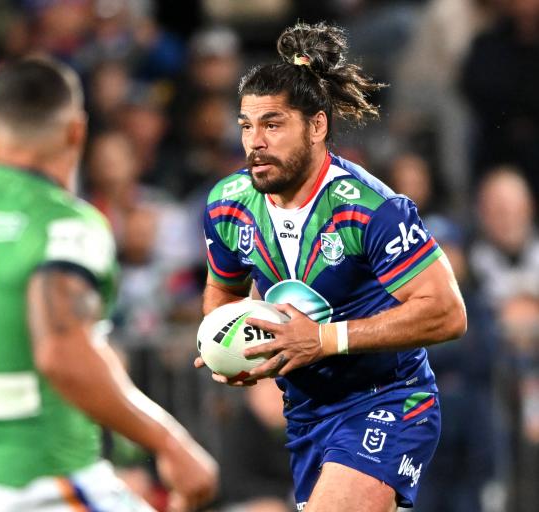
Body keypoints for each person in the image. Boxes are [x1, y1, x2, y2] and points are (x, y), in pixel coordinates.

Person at [0, 56, 218, 512]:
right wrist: (170, 443)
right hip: (42, 484)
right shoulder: (66, 225)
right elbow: (61, 352)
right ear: (76, 130)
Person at [195, 22, 466, 512]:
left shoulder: (370, 209)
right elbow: (223, 290)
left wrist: (323, 340)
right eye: (246, 125)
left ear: (316, 126)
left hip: (388, 401)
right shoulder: (226, 204)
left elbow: (447, 313)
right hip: (305, 413)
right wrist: (225, 344)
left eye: (272, 124)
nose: (255, 141)